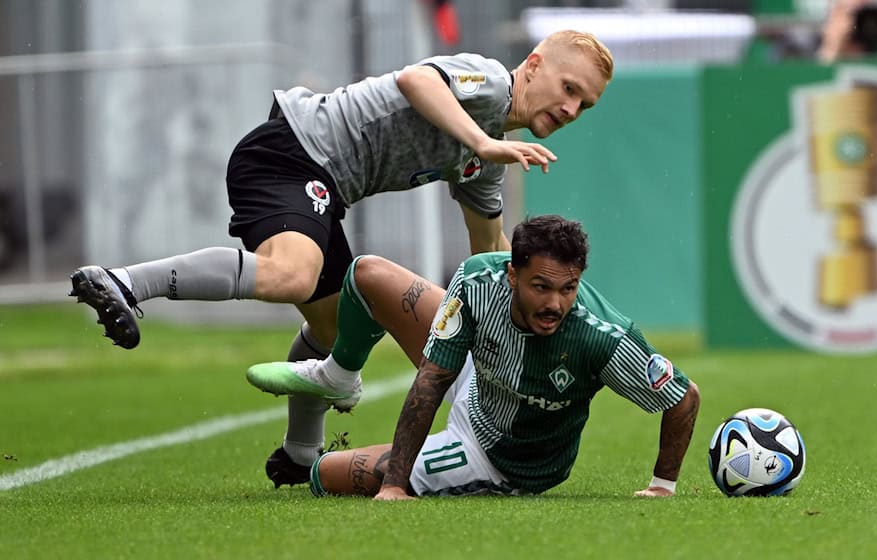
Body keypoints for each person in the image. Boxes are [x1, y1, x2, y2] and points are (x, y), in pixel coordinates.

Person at [68, 31, 614, 484]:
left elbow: (491, 258)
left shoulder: (485, 160)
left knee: (333, 328)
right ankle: (123, 282)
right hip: (293, 153)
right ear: (535, 65)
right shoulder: (491, 83)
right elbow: (416, 79)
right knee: (292, 274)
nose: (570, 109)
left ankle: (300, 453)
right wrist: (485, 141)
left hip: (323, 185)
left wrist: (532, 314)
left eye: (584, 105)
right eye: (568, 89)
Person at [247, 215, 701, 499]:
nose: (554, 304)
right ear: (511, 275)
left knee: (326, 475)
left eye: (568, 289)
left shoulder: (603, 337)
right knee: (367, 273)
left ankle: (308, 460)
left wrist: (663, 486)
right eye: (541, 287)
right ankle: (340, 375)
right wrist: (394, 486)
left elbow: (683, 397)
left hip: (497, 457)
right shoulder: (476, 281)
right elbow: (432, 378)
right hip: (479, 379)